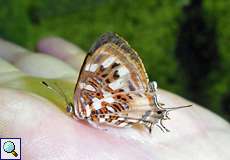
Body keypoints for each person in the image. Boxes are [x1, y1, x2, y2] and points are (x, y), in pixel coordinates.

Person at [0, 37, 229, 160]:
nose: (70, 109)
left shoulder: (84, 104)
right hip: (130, 108)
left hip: (129, 108)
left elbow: (10, 151)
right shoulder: (82, 105)